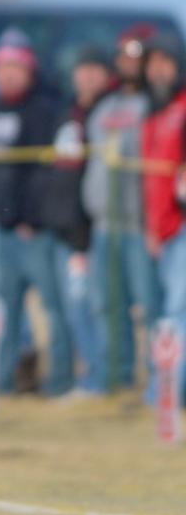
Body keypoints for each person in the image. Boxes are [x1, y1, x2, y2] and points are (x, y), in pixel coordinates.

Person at [0, 28, 72, 395]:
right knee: (5, 313)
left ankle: (61, 381)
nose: (7, 74)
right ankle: (1, 384)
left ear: (29, 70)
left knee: (52, 308)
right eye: (1, 67)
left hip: (33, 231)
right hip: (1, 229)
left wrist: (32, 218)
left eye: (14, 67)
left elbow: (45, 173)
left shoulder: (44, 109)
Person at [82, 25, 161, 387]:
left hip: (139, 223)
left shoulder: (153, 107)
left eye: (135, 57)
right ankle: (118, 376)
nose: (127, 64)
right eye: (122, 57)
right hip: (103, 224)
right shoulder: (105, 106)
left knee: (148, 303)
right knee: (107, 305)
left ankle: (161, 381)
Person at [43, 46, 114, 394]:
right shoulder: (66, 112)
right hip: (60, 227)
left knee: (89, 306)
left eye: (94, 69)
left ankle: (97, 379)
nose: (86, 77)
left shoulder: (106, 114)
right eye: (81, 69)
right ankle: (71, 378)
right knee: (66, 310)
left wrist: (82, 233)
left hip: (86, 232)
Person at [140, 34, 186, 378]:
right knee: (162, 310)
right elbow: (151, 181)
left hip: (181, 225)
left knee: (178, 309)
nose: (157, 71)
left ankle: (170, 390)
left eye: (165, 63)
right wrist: (152, 227)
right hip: (162, 230)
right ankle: (165, 386)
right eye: (152, 64)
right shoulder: (154, 114)